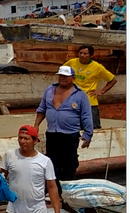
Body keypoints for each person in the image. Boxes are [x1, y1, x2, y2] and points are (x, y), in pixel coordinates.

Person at [33, 65, 93, 197]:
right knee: (51, 162)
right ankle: (53, 191)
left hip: (70, 135)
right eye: (60, 76)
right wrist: (36, 125)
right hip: (52, 134)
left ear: (73, 78)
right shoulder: (50, 90)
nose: (63, 78)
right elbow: (42, 109)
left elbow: (86, 115)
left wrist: (88, 135)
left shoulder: (80, 95)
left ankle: (67, 193)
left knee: (69, 162)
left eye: (66, 76)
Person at [0, 125, 61, 213]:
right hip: (13, 210)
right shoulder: (9, 155)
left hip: (38, 212)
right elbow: (2, 178)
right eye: (20, 138)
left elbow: (52, 187)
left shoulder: (45, 161)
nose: (22, 141)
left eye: (26, 139)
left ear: (35, 141)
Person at [64, 45, 117, 129]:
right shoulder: (71, 62)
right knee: (73, 128)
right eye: (80, 53)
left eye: (85, 53)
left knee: (93, 127)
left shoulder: (97, 67)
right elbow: (62, 74)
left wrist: (101, 91)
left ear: (91, 55)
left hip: (90, 102)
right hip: (73, 100)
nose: (82, 55)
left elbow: (113, 80)